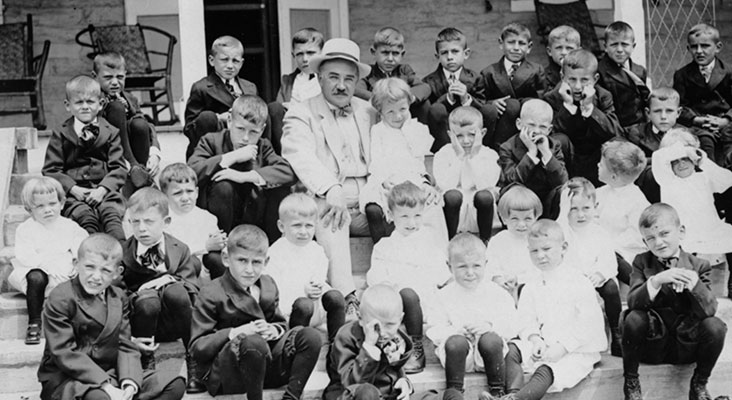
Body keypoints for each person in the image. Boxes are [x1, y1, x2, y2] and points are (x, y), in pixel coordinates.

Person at [281, 38, 378, 318]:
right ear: (319, 77)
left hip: (372, 195)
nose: (341, 85)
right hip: (330, 194)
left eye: (349, 78)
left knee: (421, 206)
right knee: (329, 214)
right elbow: (299, 154)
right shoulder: (301, 111)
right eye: (333, 77)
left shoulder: (368, 110)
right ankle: (348, 297)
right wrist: (331, 187)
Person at [38, 233, 185, 400]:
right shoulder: (61, 297)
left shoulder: (118, 297)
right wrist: (106, 385)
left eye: (106, 270)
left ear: (117, 272)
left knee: (174, 383)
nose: (96, 276)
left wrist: (129, 382)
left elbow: (125, 344)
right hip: (71, 376)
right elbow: (64, 352)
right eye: (89, 267)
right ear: (76, 264)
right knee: (100, 398)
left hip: (112, 371)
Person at [189, 224, 322, 399]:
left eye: (257, 262)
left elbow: (280, 322)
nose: (250, 270)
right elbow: (197, 347)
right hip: (230, 373)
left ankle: (292, 396)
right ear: (226, 259)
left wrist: (273, 330)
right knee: (253, 342)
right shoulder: (212, 292)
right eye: (242, 261)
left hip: (265, 367)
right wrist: (237, 333)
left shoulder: (268, 284)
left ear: (266, 262)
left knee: (310, 336)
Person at [622, 203, 727, 400]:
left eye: (664, 233)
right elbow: (634, 301)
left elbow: (710, 310)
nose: (658, 242)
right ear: (645, 243)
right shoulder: (641, 262)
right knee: (633, 317)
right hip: (653, 344)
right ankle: (631, 384)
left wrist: (695, 285)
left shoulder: (699, 265)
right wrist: (657, 280)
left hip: (686, 344)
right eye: (650, 238)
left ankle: (699, 385)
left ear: (681, 232)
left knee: (716, 326)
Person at [503, 219, 606, 399]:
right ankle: (511, 393)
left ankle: (520, 399)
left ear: (564, 248)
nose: (540, 256)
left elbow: (589, 324)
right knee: (511, 349)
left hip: (576, 349)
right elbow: (527, 320)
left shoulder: (579, 282)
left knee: (548, 369)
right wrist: (535, 339)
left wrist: (564, 347)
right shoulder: (531, 285)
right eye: (534, 251)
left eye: (546, 249)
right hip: (544, 345)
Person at [119, 188, 201, 392]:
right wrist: (142, 293)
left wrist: (167, 280)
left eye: (149, 221)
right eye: (135, 222)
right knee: (148, 300)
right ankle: (146, 361)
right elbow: (117, 293)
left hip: (174, 320)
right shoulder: (124, 252)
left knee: (176, 291)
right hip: (143, 321)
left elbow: (192, 288)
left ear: (166, 222)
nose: (142, 229)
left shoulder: (179, 248)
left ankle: (193, 359)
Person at [323, 284, 464, 400]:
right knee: (367, 392)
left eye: (390, 325)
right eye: (376, 326)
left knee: (451, 395)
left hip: (388, 395)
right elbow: (351, 384)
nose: (383, 332)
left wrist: (404, 382)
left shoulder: (396, 336)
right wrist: (369, 347)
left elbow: (396, 370)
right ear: (360, 317)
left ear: (400, 319)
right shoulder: (346, 336)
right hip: (355, 395)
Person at [366, 181, 452, 373]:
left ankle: (416, 343)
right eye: (404, 216)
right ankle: (412, 345)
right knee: (407, 293)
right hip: (396, 303)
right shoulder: (384, 246)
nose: (411, 223)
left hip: (426, 301)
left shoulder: (429, 244)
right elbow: (378, 280)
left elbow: (442, 277)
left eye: (417, 216)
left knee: (416, 295)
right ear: (390, 215)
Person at [188, 95, 295, 242]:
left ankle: (271, 245)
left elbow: (288, 171)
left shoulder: (263, 146)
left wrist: (244, 176)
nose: (245, 138)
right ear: (230, 121)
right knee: (223, 186)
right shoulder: (211, 141)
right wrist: (231, 157)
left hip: (253, 214)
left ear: (262, 130)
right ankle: (222, 247)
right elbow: (190, 173)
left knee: (281, 189)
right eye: (240, 129)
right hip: (222, 216)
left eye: (253, 132)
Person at [427, 233, 518, 398]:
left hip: (489, 357)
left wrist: (490, 327)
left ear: (486, 264)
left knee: (490, 339)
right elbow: (433, 328)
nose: (470, 272)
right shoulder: (443, 296)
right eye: (462, 267)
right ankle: (454, 390)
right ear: (449, 267)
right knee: (456, 342)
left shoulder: (496, 293)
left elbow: (511, 324)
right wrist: (455, 331)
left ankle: (497, 391)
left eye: (476, 266)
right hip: (459, 358)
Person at [360, 77, 446, 243]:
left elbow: (419, 163)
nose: (398, 116)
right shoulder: (378, 131)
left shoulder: (416, 129)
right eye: (390, 112)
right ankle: (385, 251)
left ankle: (437, 253)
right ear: (380, 111)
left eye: (403, 109)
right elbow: (377, 161)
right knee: (375, 203)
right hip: (387, 181)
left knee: (431, 204)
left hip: (413, 180)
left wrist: (425, 184)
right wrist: (385, 182)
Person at [42, 75, 127, 241]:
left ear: (101, 104)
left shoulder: (111, 131)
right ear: (68, 106)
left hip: (105, 192)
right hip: (74, 194)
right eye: (79, 102)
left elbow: (119, 168)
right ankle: (90, 255)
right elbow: (51, 169)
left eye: (90, 102)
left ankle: (121, 256)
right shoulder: (60, 133)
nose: (85, 107)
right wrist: (73, 189)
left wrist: (102, 190)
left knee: (111, 217)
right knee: (84, 217)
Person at [652, 128, 732, 297]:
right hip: (684, 237)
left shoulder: (703, 177)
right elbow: (658, 158)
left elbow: (727, 180)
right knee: (688, 278)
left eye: (686, 158)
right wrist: (684, 150)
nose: (681, 163)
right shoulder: (666, 180)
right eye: (675, 160)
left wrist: (702, 159)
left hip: (710, 232)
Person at [8, 177, 88, 345]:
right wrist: (47, 266)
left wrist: (76, 263)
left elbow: (80, 247)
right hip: (40, 272)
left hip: (64, 273)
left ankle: (77, 326)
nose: (48, 210)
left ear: (62, 203)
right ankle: (35, 322)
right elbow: (26, 255)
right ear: (29, 209)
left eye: (52, 204)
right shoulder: (26, 229)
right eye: (40, 206)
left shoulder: (69, 226)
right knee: (35, 277)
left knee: (80, 281)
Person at [265, 193, 346, 342]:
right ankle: (293, 344)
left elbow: (319, 277)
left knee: (336, 297)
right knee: (304, 303)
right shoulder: (275, 253)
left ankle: (337, 347)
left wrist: (317, 287)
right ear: (281, 226)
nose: (303, 232)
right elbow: (275, 292)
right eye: (297, 225)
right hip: (290, 313)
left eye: (309, 226)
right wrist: (304, 291)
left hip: (315, 309)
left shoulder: (316, 249)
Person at [557, 177, 623, 356]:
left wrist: (600, 274)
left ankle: (617, 334)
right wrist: (563, 212)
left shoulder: (599, 232)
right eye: (573, 209)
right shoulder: (563, 230)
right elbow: (557, 242)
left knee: (610, 288)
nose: (580, 215)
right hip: (569, 281)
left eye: (586, 208)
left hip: (595, 279)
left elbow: (609, 261)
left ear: (595, 207)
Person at [543, 49, 624, 185]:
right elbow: (553, 134)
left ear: (595, 79)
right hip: (568, 162)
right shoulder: (552, 97)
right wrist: (568, 106)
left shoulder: (603, 96)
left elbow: (616, 132)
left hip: (596, 161)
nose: (577, 87)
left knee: (617, 142)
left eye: (585, 80)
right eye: (572, 79)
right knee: (559, 140)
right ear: (562, 77)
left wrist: (590, 108)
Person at [92, 52, 161, 193]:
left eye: (120, 77)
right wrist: (110, 106)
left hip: (132, 149)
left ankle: (139, 173)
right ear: (95, 77)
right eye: (107, 77)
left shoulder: (130, 98)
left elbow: (148, 126)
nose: (115, 82)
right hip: (107, 150)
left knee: (140, 123)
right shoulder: (91, 99)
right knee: (116, 108)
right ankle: (135, 167)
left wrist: (154, 153)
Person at [184, 35, 259, 159]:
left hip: (244, 141)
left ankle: (261, 158)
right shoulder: (201, 87)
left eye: (235, 61)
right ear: (212, 60)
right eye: (224, 60)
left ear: (242, 63)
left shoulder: (250, 88)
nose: (230, 66)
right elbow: (189, 128)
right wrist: (218, 118)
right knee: (207, 117)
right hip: (216, 145)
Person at [474, 23, 546, 149]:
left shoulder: (536, 71)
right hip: (499, 130)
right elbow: (479, 100)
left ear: (529, 47)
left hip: (525, 127)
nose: (516, 48)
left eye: (521, 43)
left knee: (513, 105)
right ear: (501, 44)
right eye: (511, 42)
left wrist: (521, 104)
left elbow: (541, 100)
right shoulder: (489, 72)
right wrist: (492, 103)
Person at [434, 106, 500, 242]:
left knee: (485, 196)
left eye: (472, 134)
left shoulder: (490, 155)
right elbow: (445, 185)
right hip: (454, 212)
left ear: (482, 133)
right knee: (453, 196)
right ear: (450, 135)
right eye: (459, 136)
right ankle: (449, 240)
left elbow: (485, 185)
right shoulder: (443, 154)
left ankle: (485, 240)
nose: (466, 141)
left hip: (479, 213)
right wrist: (459, 157)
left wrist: (473, 157)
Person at [423, 27, 494, 152]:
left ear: (465, 54)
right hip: (444, 133)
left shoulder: (476, 78)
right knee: (436, 109)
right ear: (437, 56)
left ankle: (482, 150)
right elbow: (432, 114)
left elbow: (482, 105)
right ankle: (446, 152)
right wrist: (447, 99)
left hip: (471, 129)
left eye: (455, 51)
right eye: (444, 53)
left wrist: (466, 99)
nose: (450, 57)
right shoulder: (429, 81)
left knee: (489, 110)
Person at [673, 23, 732, 168]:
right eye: (694, 47)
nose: (699, 51)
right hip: (699, 124)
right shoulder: (682, 75)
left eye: (705, 46)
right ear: (688, 48)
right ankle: (708, 177)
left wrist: (725, 120)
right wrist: (697, 119)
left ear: (717, 47)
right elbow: (680, 106)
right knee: (705, 144)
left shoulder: (729, 72)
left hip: (726, 122)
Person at [158, 163, 227, 279]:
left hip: (204, 273)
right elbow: (171, 255)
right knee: (192, 261)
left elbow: (214, 247)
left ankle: (222, 292)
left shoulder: (207, 218)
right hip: (178, 274)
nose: (185, 198)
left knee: (217, 258)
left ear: (196, 192)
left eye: (189, 191)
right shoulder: (164, 221)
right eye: (177, 193)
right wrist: (206, 245)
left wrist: (220, 242)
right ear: (165, 196)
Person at [498, 99, 568, 208]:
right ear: (519, 124)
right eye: (531, 125)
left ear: (549, 130)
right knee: (511, 190)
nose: (536, 131)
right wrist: (531, 153)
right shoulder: (507, 147)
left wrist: (546, 153)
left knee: (561, 191)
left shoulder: (553, 145)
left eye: (543, 127)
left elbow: (562, 181)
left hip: (546, 200)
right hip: (520, 201)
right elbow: (511, 180)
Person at [595, 140, 649, 282]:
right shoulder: (601, 192)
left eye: (601, 165)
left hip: (623, 251)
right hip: (599, 245)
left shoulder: (636, 200)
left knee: (614, 260)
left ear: (614, 177)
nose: (598, 165)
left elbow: (636, 235)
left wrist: (609, 245)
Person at [354, 27, 431, 123]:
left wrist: (406, 97)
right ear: (374, 52)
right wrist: (385, 99)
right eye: (385, 53)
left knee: (425, 104)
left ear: (402, 54)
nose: (390, 58)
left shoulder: (404, 70)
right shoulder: (369, 72)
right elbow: (357, 90)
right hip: (380, 118)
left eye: (395, 53)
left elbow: (424, 87)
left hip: (402, 117)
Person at [269, 28, 325, 155]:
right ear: (293, 55)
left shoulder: (327, 79)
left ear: (322, 53)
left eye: (310, 53)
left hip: (319, 128)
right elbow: (280, 108)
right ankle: (284, 157)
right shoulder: (288, 81)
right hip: (291, 129)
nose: (305, 59)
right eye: (299, 54)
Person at [486, 184, 542, 297]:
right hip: (503, 288)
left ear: (536, 218)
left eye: (528, 218)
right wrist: (499, 279)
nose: (521, 224)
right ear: (504, 219)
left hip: (530, 288)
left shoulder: (538, 240)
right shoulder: (498, 241)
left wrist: (519, 279)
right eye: (515, 218)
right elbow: (491, 266)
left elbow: (540, 269)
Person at [597, 21, 650, 128]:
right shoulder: (599, 71)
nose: (620, 50)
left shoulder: (639, 71)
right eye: (614, 44)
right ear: (605, 46)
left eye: (625, 44)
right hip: (616, 128)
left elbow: (643, 103)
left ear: (633, 46)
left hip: (640, 126)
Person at [544, 26, 581, 90]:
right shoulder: (543, 76)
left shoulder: (584, 72)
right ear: (549, 51)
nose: (564, 52)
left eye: (569, 48)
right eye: (559, 48)